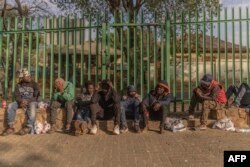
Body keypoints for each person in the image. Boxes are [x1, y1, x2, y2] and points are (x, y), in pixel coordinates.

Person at [2, 68, 39, 136]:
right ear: (22, 78)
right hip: (21, 101)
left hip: (31, 101)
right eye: (26, 76)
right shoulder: (18, 85)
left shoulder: (34, 84)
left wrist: (27, 101)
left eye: (29, 75)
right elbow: (17, 96)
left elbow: (36, 96)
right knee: (11, 105)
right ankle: (10, 127)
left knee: (32, 106)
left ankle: (29, 127)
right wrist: (21, 101)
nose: (29, 77)